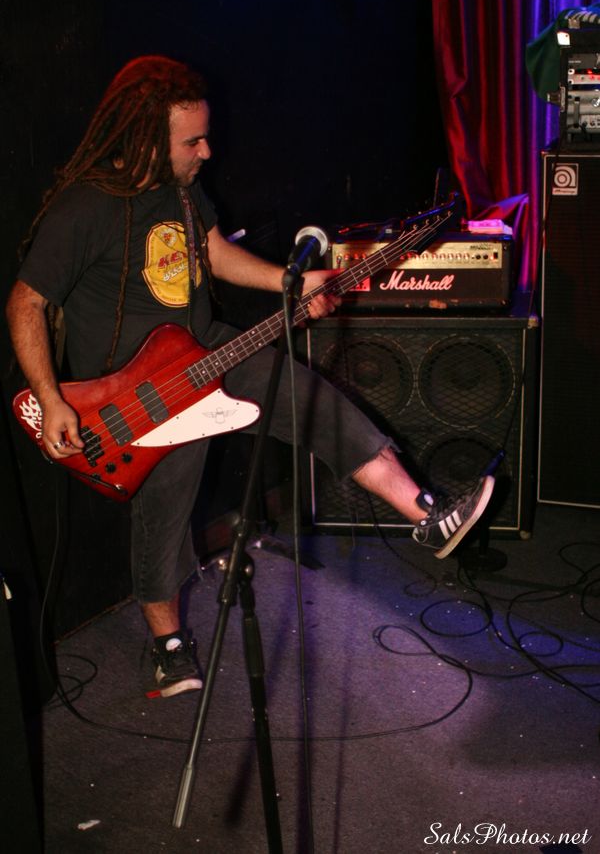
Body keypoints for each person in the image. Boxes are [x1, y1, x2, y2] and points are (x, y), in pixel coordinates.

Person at [6, 55, 494, 697]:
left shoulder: (182, 189)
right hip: (138, 396)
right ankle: (168, 646)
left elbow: (212, 252)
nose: (207, 151)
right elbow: (25, 303)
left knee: (310, 398)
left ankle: (426, 514)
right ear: (146, 139)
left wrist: (291, 284)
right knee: (164, 513)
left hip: (205, 350)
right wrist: (50, 398)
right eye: (192, 141)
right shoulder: (86, 207)